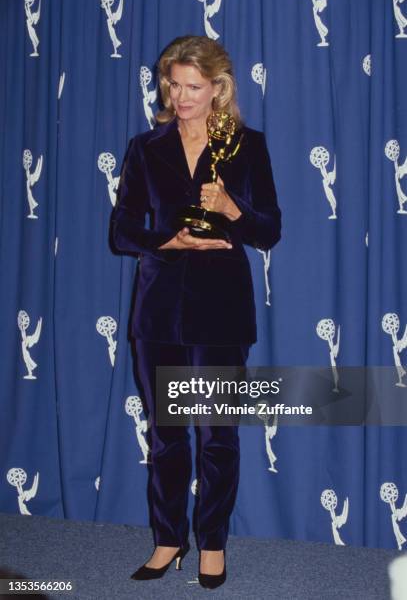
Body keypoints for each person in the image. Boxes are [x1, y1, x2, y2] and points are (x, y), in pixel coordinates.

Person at [110, 35, 281, 589]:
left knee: (218, 435)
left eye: (193, 87)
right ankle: (167, 539)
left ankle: (212, 544)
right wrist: (171, 241)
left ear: (218, 88)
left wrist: (232, 207)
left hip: (221, 313)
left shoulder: (245, 145)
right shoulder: (145, 148)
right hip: (158, 314)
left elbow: (270, 230)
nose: (180, 96)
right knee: (166, 436)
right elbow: (122, 233)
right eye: (173, 85)